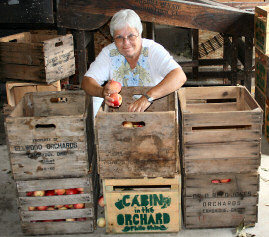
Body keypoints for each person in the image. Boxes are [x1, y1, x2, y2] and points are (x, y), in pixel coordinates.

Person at [81, 9, 187, 116]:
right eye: (119, 37)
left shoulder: (152, 50)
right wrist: (102, 92)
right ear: (113, 38)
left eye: (131, 36)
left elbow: (179, 76)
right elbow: (87, 81)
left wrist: (148, 97)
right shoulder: (109, 53)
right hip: (121, 116)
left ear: (139, 33)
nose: (126, 43)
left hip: (155, 113)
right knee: (95, 101)